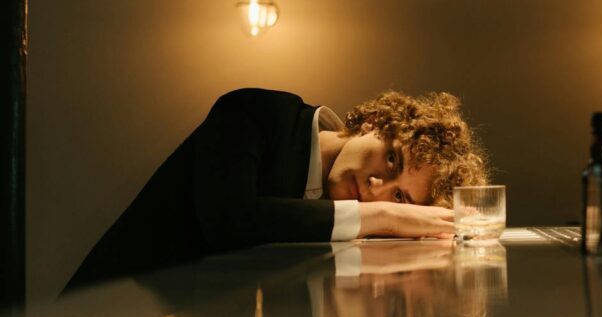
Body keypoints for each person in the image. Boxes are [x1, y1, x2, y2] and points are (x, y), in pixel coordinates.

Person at [64, 88, 488, 290]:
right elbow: (229, 223)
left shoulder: (335, 206)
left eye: (401, 196)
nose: (377, 186)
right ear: (378, 124)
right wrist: (384, 215)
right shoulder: (259, 114)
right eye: (392, 159)